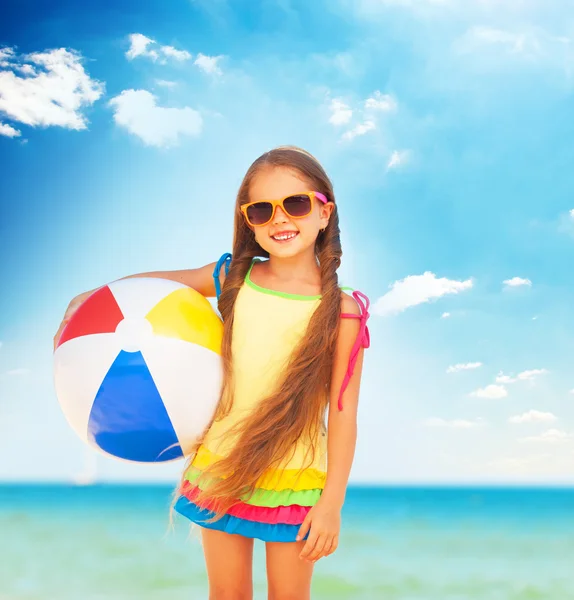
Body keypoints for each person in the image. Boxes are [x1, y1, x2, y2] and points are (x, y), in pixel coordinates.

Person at [53, 145, 370, 599]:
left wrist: (332, 505)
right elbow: (157, 287)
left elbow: (343, 413)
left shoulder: (343, 311)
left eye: (296, 204)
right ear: (250, 222)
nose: (280, 219)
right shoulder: (233, 278)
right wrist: (93, 295)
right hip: (222, 467)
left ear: (324, 213)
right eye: (262, 210)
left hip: (295, 479)